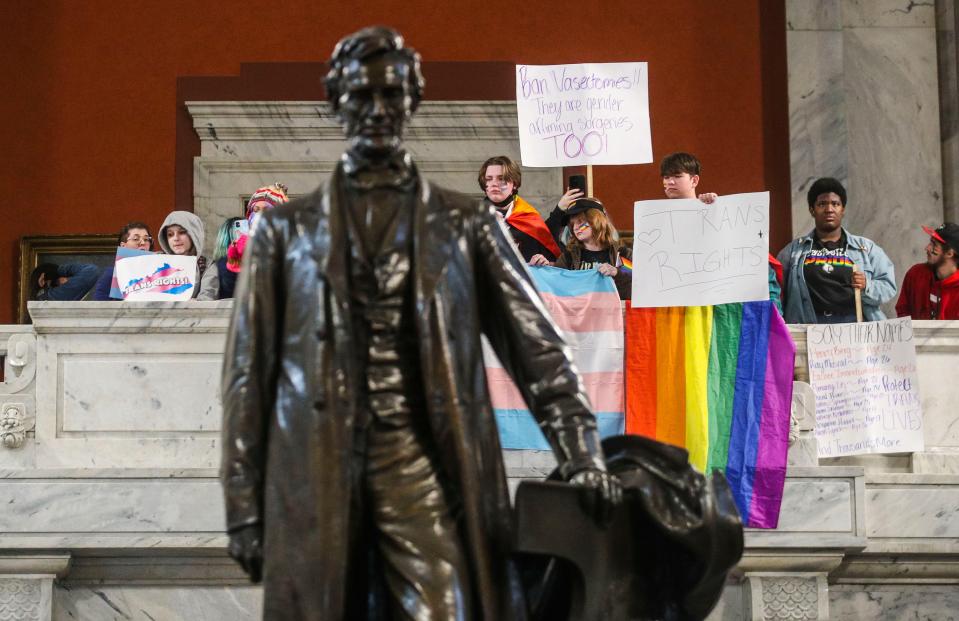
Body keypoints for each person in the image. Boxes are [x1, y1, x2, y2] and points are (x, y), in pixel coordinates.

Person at [220, 26, 620, 620]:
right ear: (337, 103)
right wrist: (244, 504)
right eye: (362, 95)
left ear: (411, 101)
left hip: (427, 468)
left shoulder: (467, 226)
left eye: (392, 94)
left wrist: (584, 455)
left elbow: (539, 352)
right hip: (316, 470)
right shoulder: (285, 232)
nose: (377, 110)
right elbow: (248, 374)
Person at [659, 151, 783, 312]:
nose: (670, 181)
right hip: (680, 308)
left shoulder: (717, 210)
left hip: (720, 308)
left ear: (694, 180)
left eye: (676, 176)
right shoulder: (658, 224)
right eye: (666, 177)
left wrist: (716, 209)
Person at [777, 177, 896, 323]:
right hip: (809, 334)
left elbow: (888, 286)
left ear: (843, 210)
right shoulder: (793, 252)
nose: (829, 209)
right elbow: (776, 293)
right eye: (822, 204)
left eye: (835, 204)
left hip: (856, 333)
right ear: (812, 210)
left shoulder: (866, 248)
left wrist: (867, 285)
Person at [478, 155, 564, 262]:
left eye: (501, 179)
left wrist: (543, 263)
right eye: (489, 179)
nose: (494, 184)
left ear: (514, 184)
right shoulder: (472, 219)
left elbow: (554, 262)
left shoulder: (529, 218)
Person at [543, 197, 633, 300]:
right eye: (572, 224)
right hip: (580, 313)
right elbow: (555, 285)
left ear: (596, 220)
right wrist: (543, 268)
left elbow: (638, 283)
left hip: (615, 313)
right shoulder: (569, 256)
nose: (575, 228)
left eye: (580, 222)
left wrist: (617, 273)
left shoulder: (621, 254)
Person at [896, 223, 959, 320]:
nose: (927, 248)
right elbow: (902, 312)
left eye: (934, 245)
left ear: (949, 253)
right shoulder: (915, 274)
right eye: (930, 242)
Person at [93, 221, 153, 301]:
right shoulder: (112, 274)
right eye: (136, 239)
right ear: (123, 246)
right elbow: (99, 308)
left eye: (146, 239)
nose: (143, 242)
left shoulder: (160, 271)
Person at [157, 210, 207, 299]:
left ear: (194, 234)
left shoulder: (206, 265)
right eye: (170, 234)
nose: (176, 238)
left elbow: (207, 297)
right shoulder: (156, 261)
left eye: (182, 232)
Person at [29, 262, 99, 302]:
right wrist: (59, 270)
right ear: (42, 280)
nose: (67, 281)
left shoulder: (38, 298)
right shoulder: (53, 295)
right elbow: (92, 271)